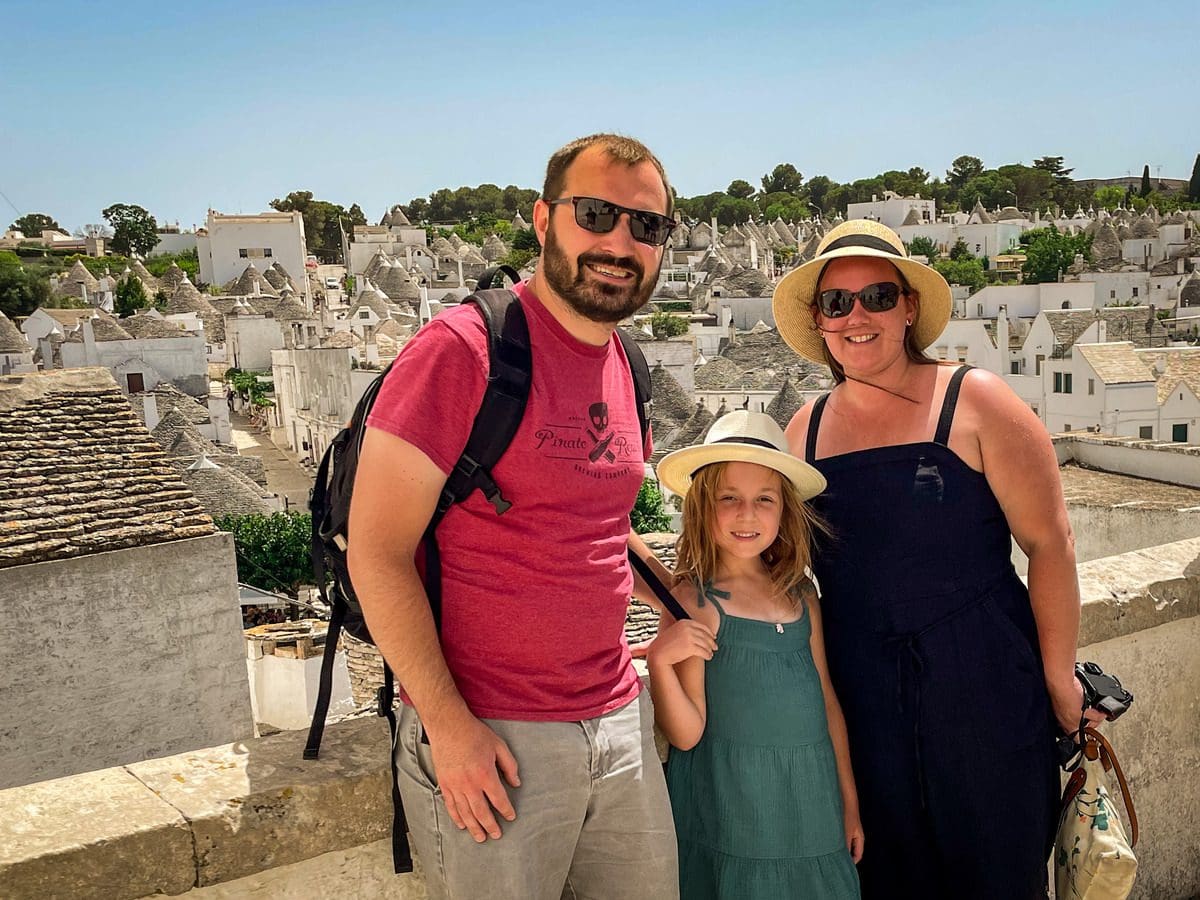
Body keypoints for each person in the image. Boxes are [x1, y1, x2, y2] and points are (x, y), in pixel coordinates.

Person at [346, 134, 680, 900]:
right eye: (596, 213)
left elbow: (600, 520)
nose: (620, 242)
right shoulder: (461, 352)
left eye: (646, 226)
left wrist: (677, 603)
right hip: (493, 735)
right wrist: (449, 728)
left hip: (620, 718)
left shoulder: (629, 363)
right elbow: (377, 552)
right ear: (543, 219)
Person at [771, 219, 1106, 899]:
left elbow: (1050, 543)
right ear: (819, 319)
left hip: (985, 691)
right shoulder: (802, 431)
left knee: (1000, 878)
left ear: (909, 307)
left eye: (877, 297)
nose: (857, 316)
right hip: (868, 709)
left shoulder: (974, 399)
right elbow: (777, 565)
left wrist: (1059, 680)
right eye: (837, 302)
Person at [650, 410, 862, 900]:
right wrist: (661, 661)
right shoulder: (694, 603)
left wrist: (848, 803)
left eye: (764, 500)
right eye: (730, 499)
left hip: (811, 808)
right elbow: (687, 733)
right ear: (703, 507)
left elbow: (827, 702)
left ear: (785, 511)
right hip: (735, 813)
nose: (748, 515)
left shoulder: (801, 595)